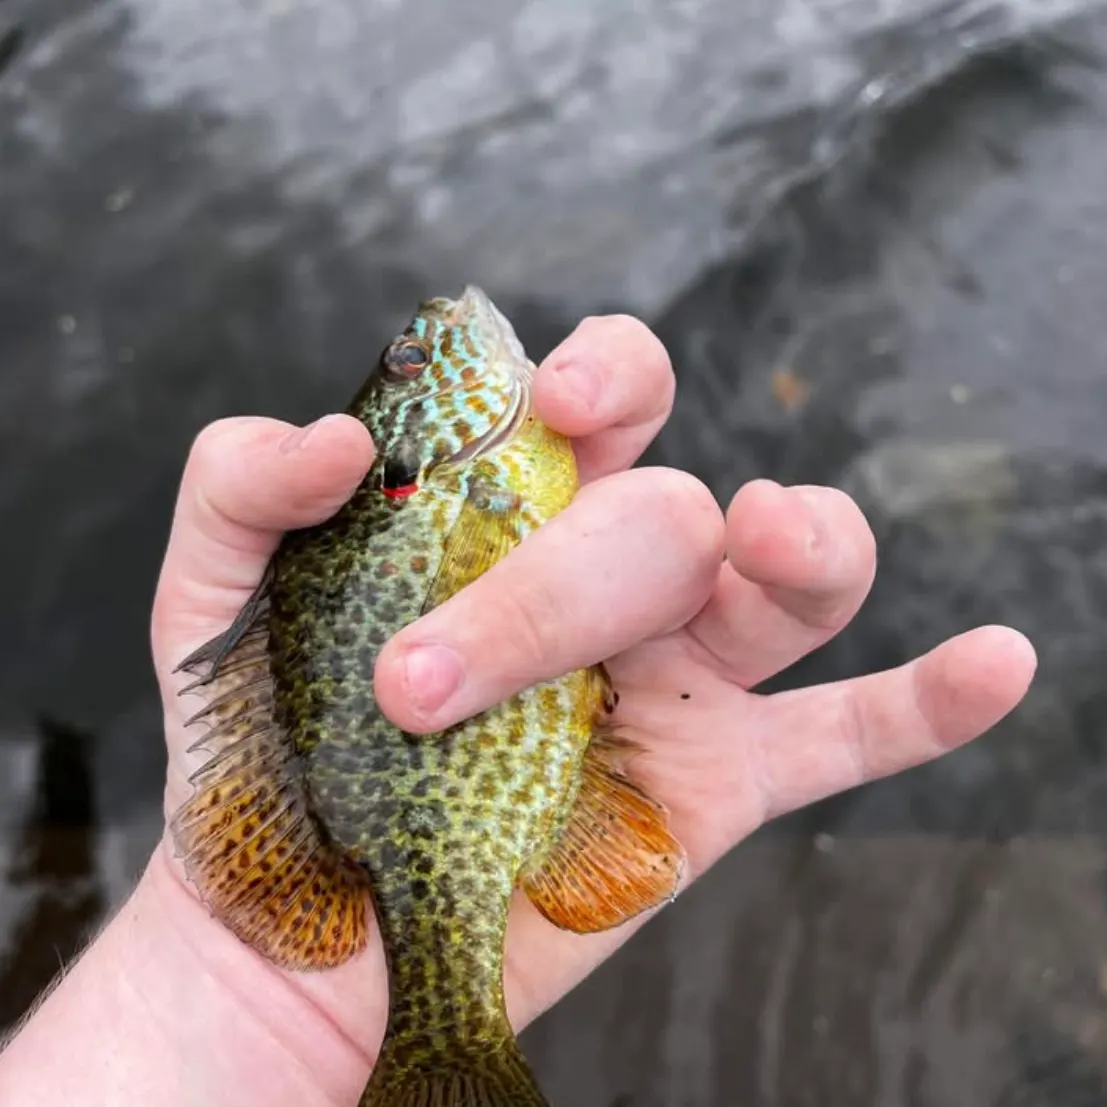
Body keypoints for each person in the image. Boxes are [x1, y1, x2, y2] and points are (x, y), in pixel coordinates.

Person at [0, 314, 1036, 1105]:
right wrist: (236, 1000)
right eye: (409, 364)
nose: (436, 331)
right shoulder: (420, 491)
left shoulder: (464, 484)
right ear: (409, 456)